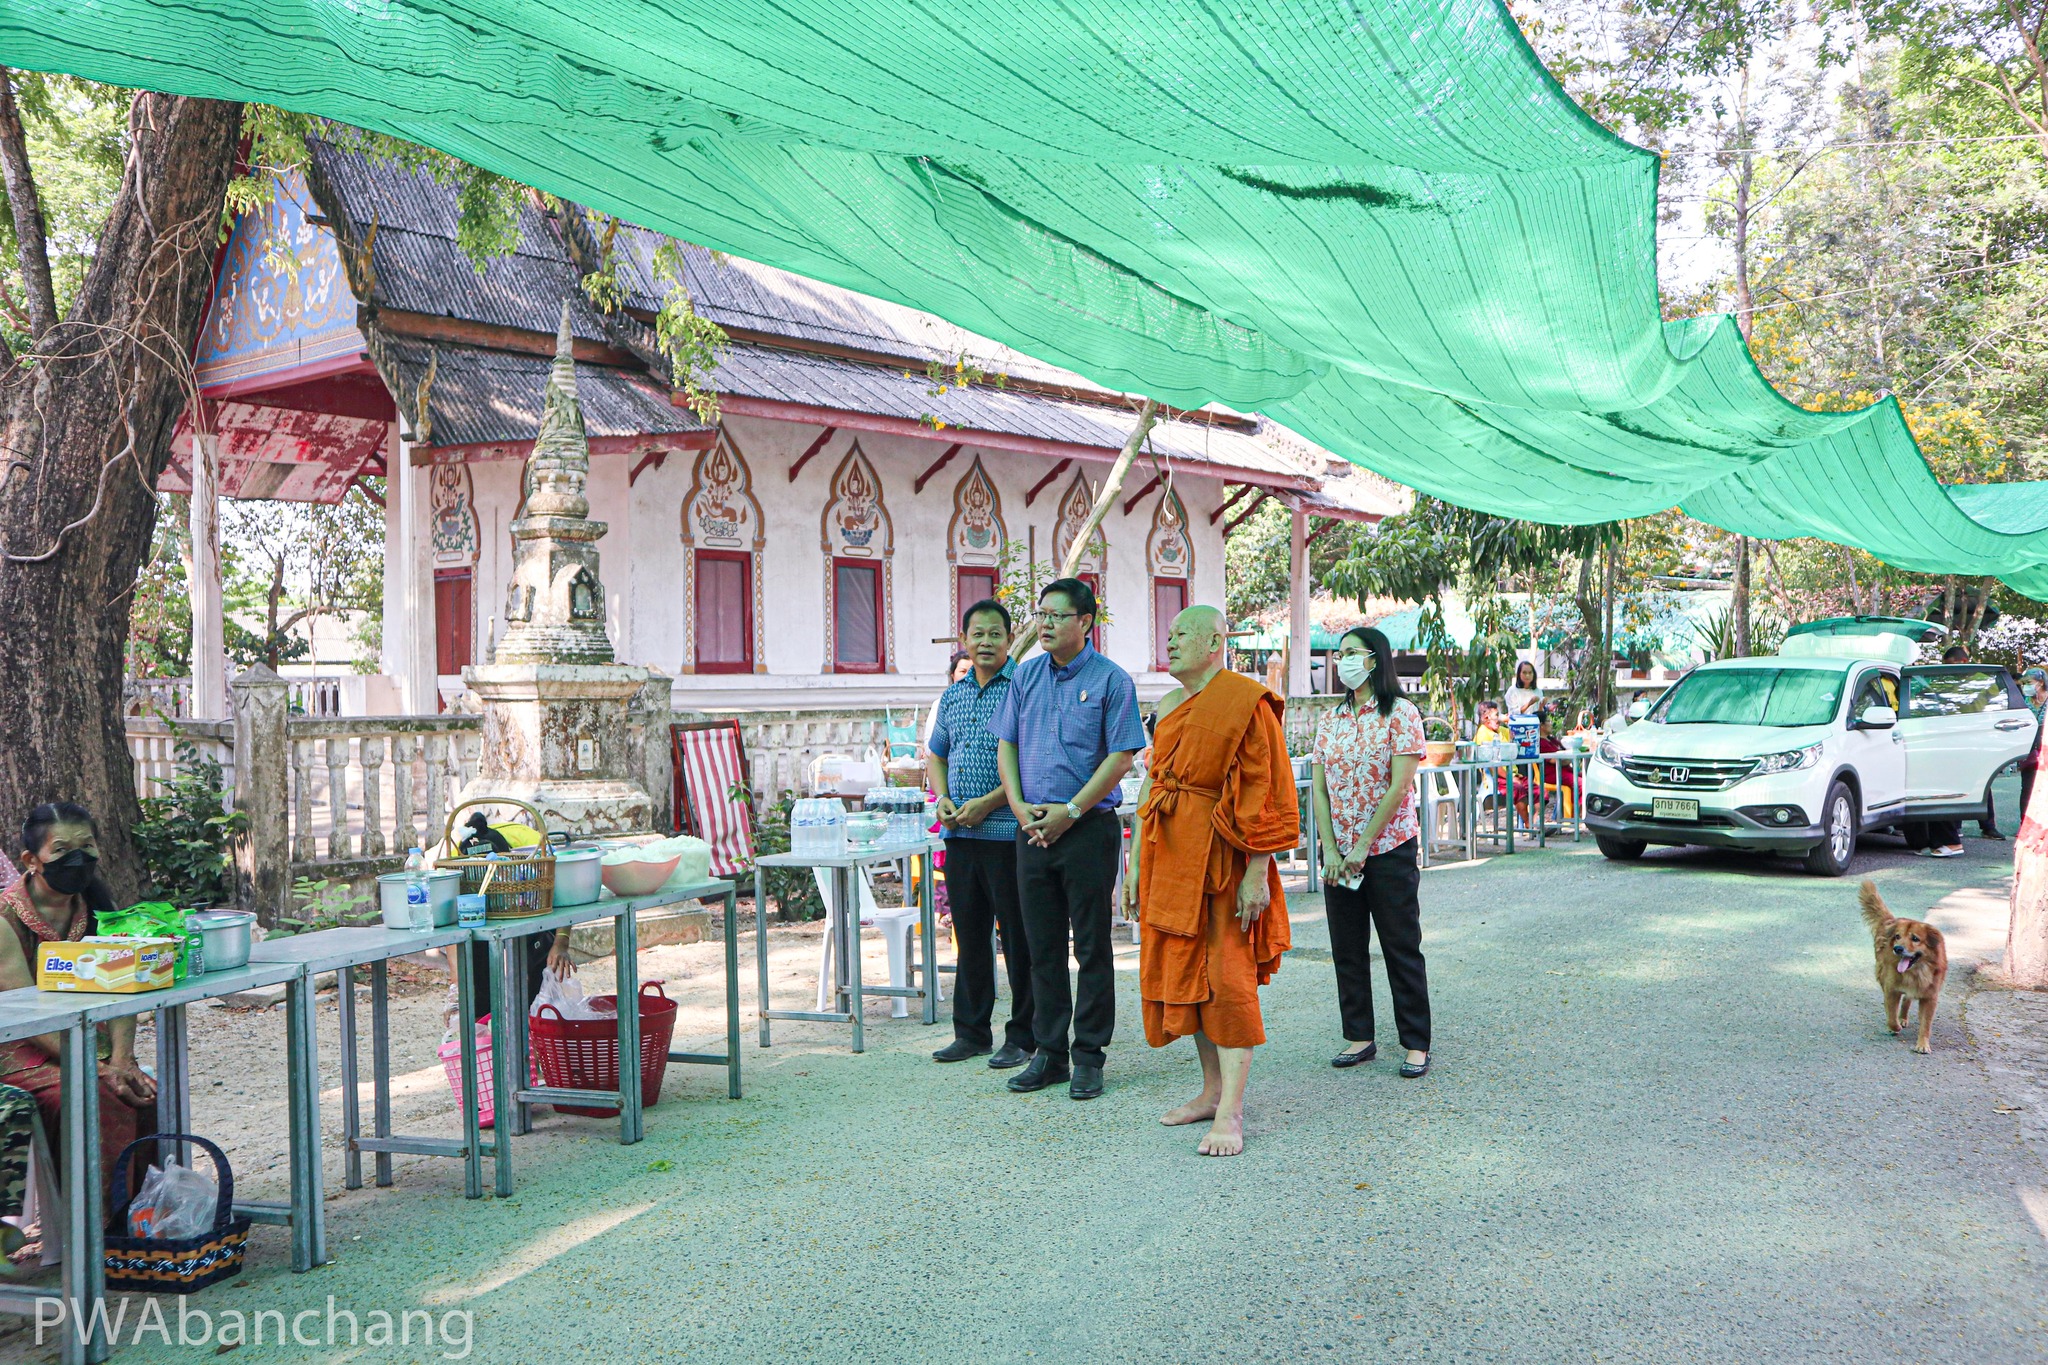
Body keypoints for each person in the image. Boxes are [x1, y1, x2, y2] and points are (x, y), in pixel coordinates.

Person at [1123, 606, 1298, 1156]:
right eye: (1168, 635)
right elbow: (1151, 790)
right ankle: (1210, 1090)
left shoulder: (1245, 702)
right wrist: (1131, 868)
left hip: (1224, 861)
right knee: (1187, 975)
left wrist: (1257, 873)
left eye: (1181, 635)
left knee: (1226, 979)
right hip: (1167, 856)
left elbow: (1263, 790)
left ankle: (1232, 1111)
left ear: (1215, 641)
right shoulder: (1168, 705)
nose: (1169, 642)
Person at [993, 578, 1146, 1100]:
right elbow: (1007, 745)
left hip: (1087, 830)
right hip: (1031, 830)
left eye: (1057, 616)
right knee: (1041, 948)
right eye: (1040, 615)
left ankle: (1089, 1056)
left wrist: (1072, 810)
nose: (1046, 625)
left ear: (1085, 622)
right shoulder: (1025, 676)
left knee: (1093, 944)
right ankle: (1049, 1053)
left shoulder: (1111, 680)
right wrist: (1017, 807)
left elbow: (1122, 756)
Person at [0, 804, 157, 1217]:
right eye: (63, 849)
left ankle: (144, 1218)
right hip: (18, 1047)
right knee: (95, 1095)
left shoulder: (99, 906)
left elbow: (125, 986)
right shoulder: (4, 919)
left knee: (144, 1091)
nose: (79, 859)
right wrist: (97, 1067)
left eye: (87, 846)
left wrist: (122, 1059)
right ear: (31, 861)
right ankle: (96, 1227)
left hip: (86, 1041)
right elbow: (28, 1014)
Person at [1312, 627, 1432, 1078]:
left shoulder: (1400, 713)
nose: (1341, 660)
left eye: (1349, 653)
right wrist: (1330, 847)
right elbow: (1319, 790)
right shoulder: (1332, 719)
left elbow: (1399, 786)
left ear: (1374, 659)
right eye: (1338, 653)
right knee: (1346, 946)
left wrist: (1364, 845)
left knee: (1401, 945)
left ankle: (1416, 1041)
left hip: (1389, 848)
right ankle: (1359, 1035)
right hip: (1340, 852)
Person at [927, 601, 1033, 1069]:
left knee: (1018, 938)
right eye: (977, 634)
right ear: (964, 640)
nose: (985, 642)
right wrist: (944, 798)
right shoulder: (953, 695)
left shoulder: (1025, 689)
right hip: (960, 836)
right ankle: (970, 1033)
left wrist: (989, 803)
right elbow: (936, 754)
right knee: (969, 937)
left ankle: (1024, 1036)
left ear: (1010, 640)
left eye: (995, 634)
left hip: (1008, 833)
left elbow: (1028, 763)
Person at [922, 651, 973, 754]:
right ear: (953, 675)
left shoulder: (985, 704)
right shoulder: (940, 704)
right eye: (963, 671)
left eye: (972, 671)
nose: (967, 676)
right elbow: (929, 744)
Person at [2020, 667, 2047, 824]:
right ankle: (2024, 823)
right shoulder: (2025, 703)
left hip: (2045, 750)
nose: (2025, 687)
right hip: (2029, 752)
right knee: (2027, 789)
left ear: (2041, 683)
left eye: (2029, 683)